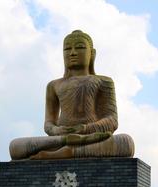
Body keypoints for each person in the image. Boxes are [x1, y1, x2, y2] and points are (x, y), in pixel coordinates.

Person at [9, 30, 134, 160]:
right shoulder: (53, 85)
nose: (72, 53)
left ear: (92, 54)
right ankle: (71, 144)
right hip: (62, 138)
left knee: (126, 142)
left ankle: (67, 151)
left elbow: (112, 120)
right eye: (67, 49)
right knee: (16, 146)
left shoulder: (104, 81)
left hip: (94, 136)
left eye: (79, 47)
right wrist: (57, 131)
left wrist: (84, 129)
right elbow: (49, 123)